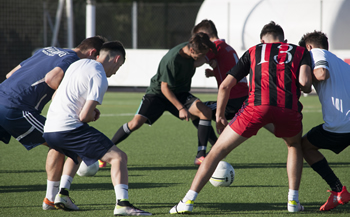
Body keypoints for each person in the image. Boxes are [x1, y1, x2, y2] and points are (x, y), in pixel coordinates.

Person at [169, 21, 313, 214]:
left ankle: (187, 201)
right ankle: (293, 202)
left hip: (255, 108)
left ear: (262, 41)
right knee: (294, 145)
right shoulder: (300, 52)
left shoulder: (254, 51)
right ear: (284, 40)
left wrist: (220, 115)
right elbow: (305, 84)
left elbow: (225, 86)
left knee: (217, 151)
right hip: (288, 109)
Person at [42, 41, 152, 216]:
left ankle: (62, 194)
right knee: (119, 157)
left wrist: (89, 111)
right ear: (117, 59)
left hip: (49, 129)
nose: (116, 71)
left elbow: (57, 96)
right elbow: (84, 117)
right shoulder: (99, 75)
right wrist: (92, 114)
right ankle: (123, 204)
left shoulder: (78, 64)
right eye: (120, 66)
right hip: (68, 128)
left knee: (75, 152)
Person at [0, 36, 107, 210]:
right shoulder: (73, 60)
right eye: (97, 60)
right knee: (62, 139)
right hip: (16, 107)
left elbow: (10, 74)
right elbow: (52, 79)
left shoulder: (47, 50)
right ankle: (51, 199)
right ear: (93, 53)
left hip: (2, 95)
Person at [110, 33, 217, 165]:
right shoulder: (172, 59)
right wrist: (181, 108)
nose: (202, 58)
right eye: (200, 55)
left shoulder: (192, 49)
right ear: (191, 50)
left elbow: (195, 62)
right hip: (158, 94)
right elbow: (164, 88)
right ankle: (105, 149)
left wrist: (208, 59)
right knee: (135, 123)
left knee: (204, 111)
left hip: (180, 93)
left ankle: (202, 155)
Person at [298, 31, 350, 211]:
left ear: (309, 47)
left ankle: (337, 190)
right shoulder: (341, 63)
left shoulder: (314, 53)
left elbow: (321, 74)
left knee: (304, 146)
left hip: (341, 125)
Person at [190, 19, 249, 165]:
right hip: (243, 96)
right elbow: (229, 68)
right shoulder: (226, 46)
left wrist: (185, 57)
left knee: (196, 111)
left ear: (204, 36)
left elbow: (197, 61)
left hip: (232, 99)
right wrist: (214, 71)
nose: (197, 44)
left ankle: (204, 153)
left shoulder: (214, 46)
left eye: (199, 39)